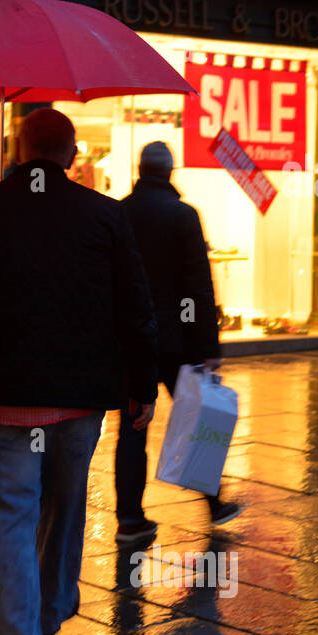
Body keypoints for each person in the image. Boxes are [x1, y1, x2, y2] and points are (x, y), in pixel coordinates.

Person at [0, 107, 158, 635]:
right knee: (65, 506)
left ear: (17, 147)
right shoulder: (104, 214)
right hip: (77, 397)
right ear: (70, 154)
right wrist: (142, 385)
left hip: (1, 395)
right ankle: (52, 607)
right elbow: (135, 306)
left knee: (9, 521)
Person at [116, 142, 240, 535]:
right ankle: (215, 502)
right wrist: (208, 347)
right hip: (176, 341)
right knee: (196, 417)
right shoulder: (183, 215)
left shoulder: (119, 213)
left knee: (132, 428)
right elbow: (198, 285)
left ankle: (130, 517)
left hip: (132, 341)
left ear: (140, 169)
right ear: (171, 172)